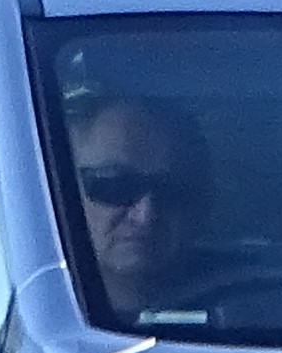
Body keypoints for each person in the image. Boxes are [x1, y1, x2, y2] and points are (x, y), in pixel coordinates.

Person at [67, 95, 215, 312]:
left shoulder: (258, 308)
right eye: (115, 185)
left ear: (201, 205)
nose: (146, 214)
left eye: (171, 189)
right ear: (63, 190)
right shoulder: (38, 315)